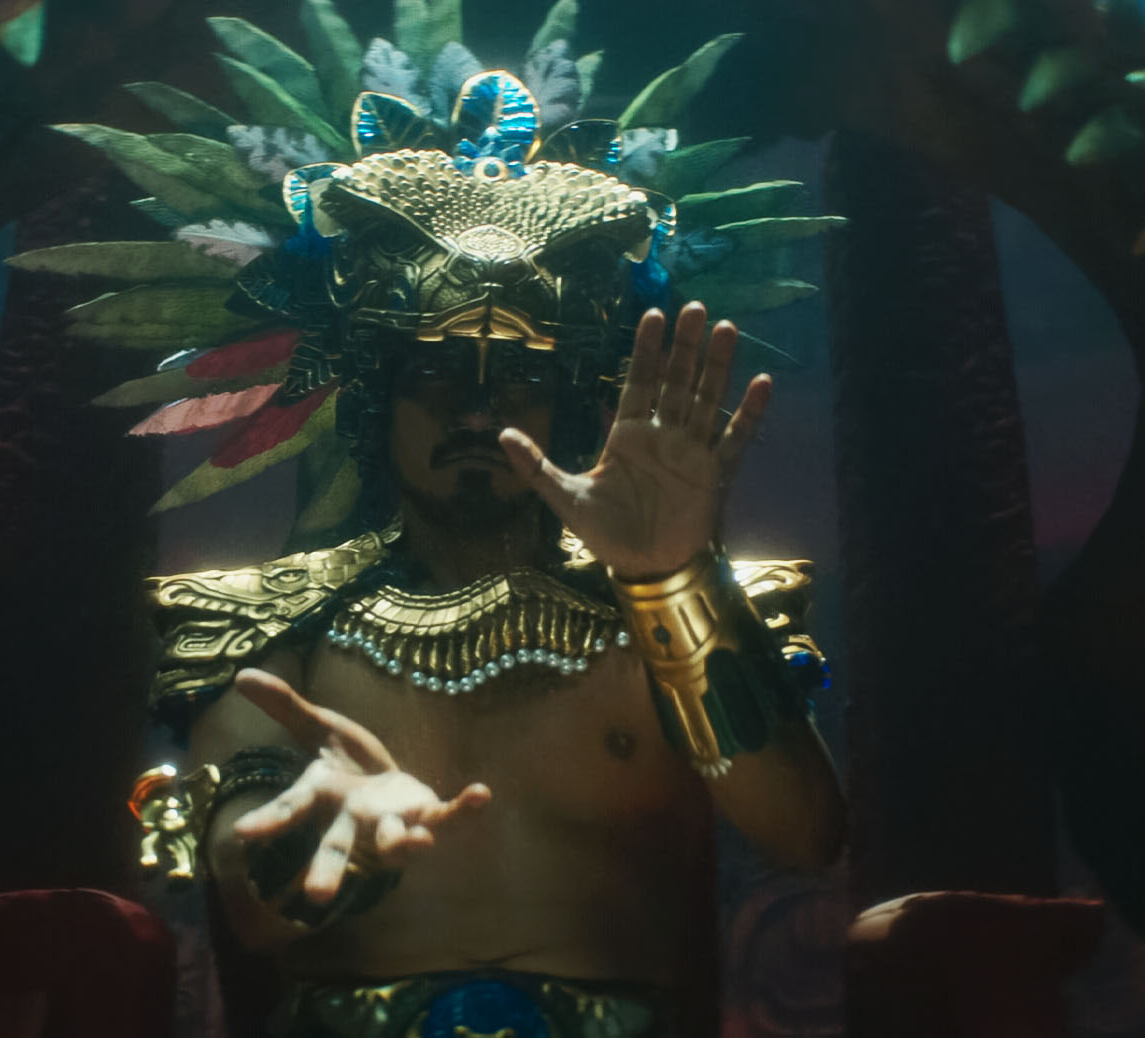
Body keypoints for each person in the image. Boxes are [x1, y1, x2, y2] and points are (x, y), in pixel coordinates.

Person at [101, 30, 846, 1038]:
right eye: (437, 371)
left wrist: (674, 576)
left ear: (570, 406)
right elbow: (251, 897)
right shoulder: (273, 630)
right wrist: (318, 840)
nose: (477, 411)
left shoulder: (671, 615)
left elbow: (808, 834)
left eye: (522, 376)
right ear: (377, 397)